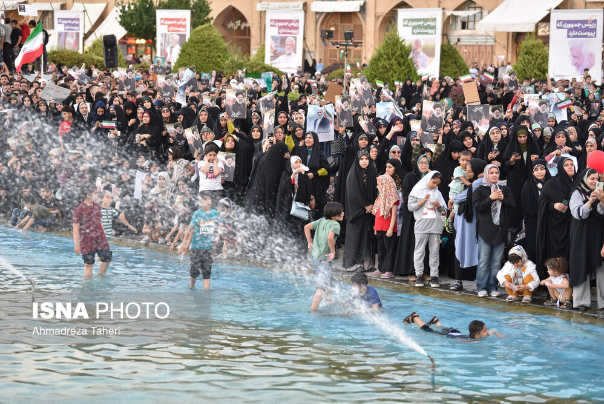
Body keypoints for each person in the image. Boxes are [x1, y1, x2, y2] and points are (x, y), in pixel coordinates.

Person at [473, 164, 515, 297]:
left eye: (496, 172)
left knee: (496, 262)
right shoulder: (480, 190)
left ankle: (493, 286)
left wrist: (503, 199)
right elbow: (477, 207)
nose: (494, 175)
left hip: (500, 230)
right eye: (491, 172)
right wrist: (490, 198)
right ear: (486, 174)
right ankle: (481, 287)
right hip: (485, 231)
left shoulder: (504, 189)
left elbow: (513, 205)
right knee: (484, 261)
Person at [568, 168, 604, 311]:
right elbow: (577, 214)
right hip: (581, 236)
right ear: (584, 179)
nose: (595, 182)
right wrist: (590, 202)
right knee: (581, 264)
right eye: (592, 179)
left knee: (601, 267)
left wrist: (602, 200)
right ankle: (581, 302)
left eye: (597, 179)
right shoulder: (577, 193)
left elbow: (602, 213)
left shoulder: (602, 193)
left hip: (598, 236)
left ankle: (602, 303)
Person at [407, 171, 446, 288]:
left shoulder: (437, 193)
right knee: (419, 251)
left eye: (437, 184)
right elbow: (410, 207)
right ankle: (419, 275)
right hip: (421, 226)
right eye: (433, 182)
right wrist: (423, 201)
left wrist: (439, 206)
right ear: (428, 179)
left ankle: (434, 276)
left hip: (435, 226)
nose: (434, 186)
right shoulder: (416, 190)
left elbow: (444, 209)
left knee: (434, 252)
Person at [304, 201, 344, 311]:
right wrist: (333, 252)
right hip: (324, 259)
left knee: (328, 280)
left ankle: (328, 301)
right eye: (341, 212)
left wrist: (309, 242)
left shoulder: (322, 220)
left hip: (315, 256)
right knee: (322, 287)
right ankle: (313, 310)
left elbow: (306, 227)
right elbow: (330, 238)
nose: (343, 213)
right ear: (334, 214)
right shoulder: (335, 225)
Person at [178, 192, 222, 290]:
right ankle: (191, 287)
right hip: (196, 248)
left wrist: (218, 236)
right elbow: (188, 230)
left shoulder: (215, 213)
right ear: (200, 201)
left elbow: (221, 225)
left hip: (208, 248)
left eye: (209, 199)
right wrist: (183, 245)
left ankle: (206, 293)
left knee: (207, 271)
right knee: (194, 271)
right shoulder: (197, 214)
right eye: (205, 199)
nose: (208, 201)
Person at [73, 187, 112, 279]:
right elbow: (75, 228)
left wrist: (105, 235)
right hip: (87, 240)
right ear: (88, 195)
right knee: (89, 263)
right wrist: (77, 245)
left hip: (100, 238)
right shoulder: (79, 210)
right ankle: (87, 283)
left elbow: (100, 221)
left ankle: (101, 276)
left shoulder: (97, 206)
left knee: (107, 258)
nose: (97, 195)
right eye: (95, 193)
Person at [369, 175, 400, 279]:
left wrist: (391, 229)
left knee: (389, 249)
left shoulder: (393, 198)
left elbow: (394, 214)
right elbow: (377, 214)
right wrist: (375, 227)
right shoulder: (380, 198)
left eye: (379, 184)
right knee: (381, 249)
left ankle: (389, 270)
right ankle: (381, 268)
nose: (377, 187)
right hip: (379, 227)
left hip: (388, 228)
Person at [403, 315, 502, 339]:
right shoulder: (474, 340)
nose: (487, 331)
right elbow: (460, 340)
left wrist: (496, 333)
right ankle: (415, 318)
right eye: (485, 330)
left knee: (443, 329)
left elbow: (490, 333)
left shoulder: (477, 335)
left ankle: (436, 322)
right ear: (477, 336)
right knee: (429, 331)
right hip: (452, 335)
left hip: (455, 332)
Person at [446, 150, 472, 232]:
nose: (465, 162)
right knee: (456, 207)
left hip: (462, 193)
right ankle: (449, 220)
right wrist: (472, 186)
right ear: (459, 160)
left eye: (467, 160)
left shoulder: (470, 169)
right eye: (463, 160)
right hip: (455, 192)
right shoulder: (457, 169)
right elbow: (463, 179)